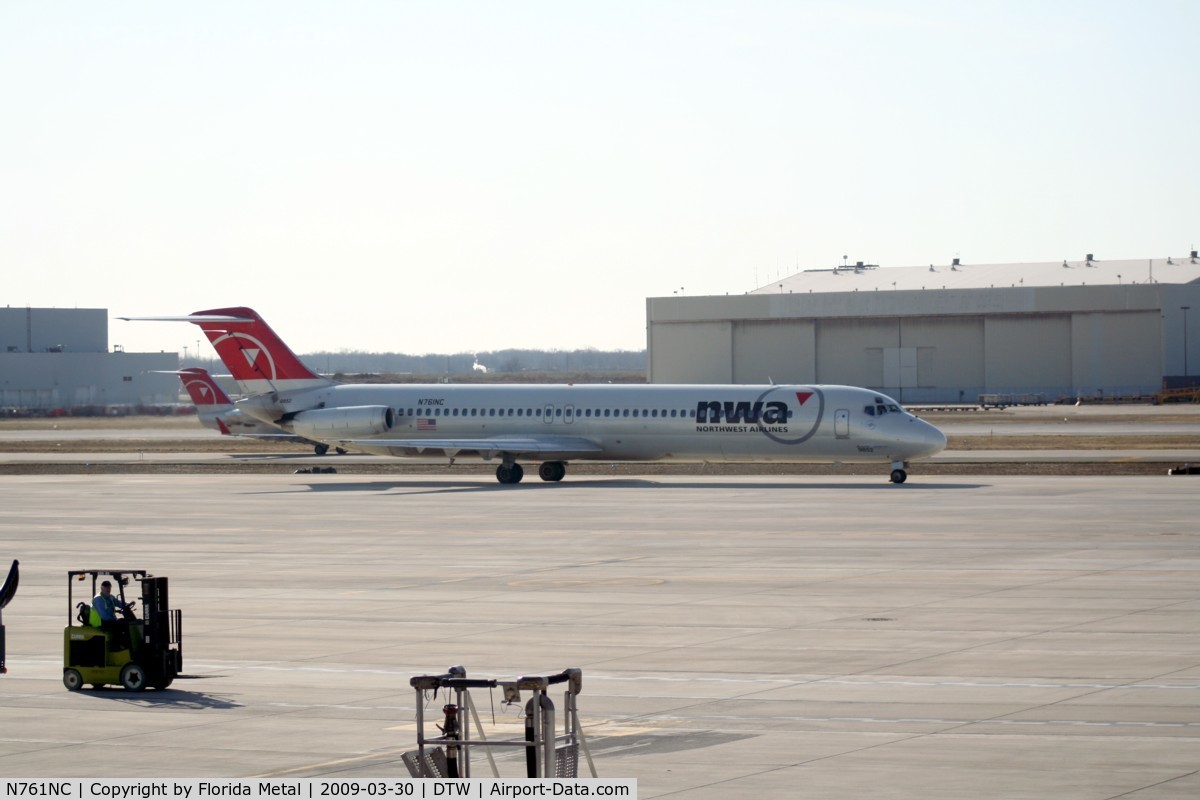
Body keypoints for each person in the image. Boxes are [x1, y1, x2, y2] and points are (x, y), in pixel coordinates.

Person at [91, 580, 135, 650]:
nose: (108, 589)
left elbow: (118, 603)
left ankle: (126, 645)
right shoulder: (98, 599)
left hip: (108, 620)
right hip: (100, 622)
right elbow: (104, 616)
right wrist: (115, 620)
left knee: (125, 623)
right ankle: (116, 647)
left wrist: (127, 604)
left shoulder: (110, 597)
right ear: (102, 588)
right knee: (118, 625)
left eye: (109, 588)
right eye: (106, 588)